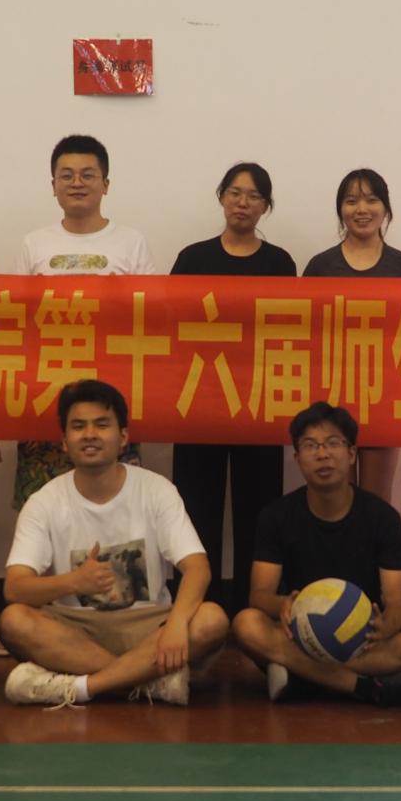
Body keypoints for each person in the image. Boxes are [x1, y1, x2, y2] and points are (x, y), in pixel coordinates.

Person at [0, 380, 229, 707]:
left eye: (102, 425)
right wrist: (74, 582)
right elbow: (15, 588)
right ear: (64, 441)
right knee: (13, 621)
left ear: (123, 438)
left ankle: (85, 686)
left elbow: (197, 568)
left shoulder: (156, 489)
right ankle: (148, 681)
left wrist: (177, 624)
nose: (90, 434)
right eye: (78, 426)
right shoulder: (44, 502)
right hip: (76, 630)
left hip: (148, 626)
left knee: (212, 619)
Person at [230, 402, 401, 707]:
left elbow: (397, 601)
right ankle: (365, 687)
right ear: (297, 458)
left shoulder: (382, 517)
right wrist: (283, 604)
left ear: (352, 453)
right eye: (310, 445)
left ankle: (305, 678)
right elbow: (259, 595)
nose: (323, 454)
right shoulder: (276, 516)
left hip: (363, 640)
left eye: (333, 443)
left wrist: (388, 625)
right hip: (301, 637)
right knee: (246, 624)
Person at [168, 161, 296, 611]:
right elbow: (169, 325)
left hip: (258, 403)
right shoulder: (192, 258)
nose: (243, 203)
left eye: (254, 195)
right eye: (235, 193)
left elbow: (290, 331)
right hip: (199, 402)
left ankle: (250, 609)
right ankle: (194, 608)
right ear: (222, 197)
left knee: (258, 511)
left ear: (266, 206)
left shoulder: (279, 263)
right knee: (195, 510)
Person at [11, 134, 152, 509]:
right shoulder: (34, 244)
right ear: (53, 185)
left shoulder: (131, 242)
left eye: (87, 175)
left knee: (116, 504)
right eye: (67, 175)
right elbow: (17, 320)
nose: (77, 183)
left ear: (106, 184)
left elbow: (151, 317)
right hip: (46, 391)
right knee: (44, 507)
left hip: (111, 392)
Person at [301, 168, 401, 506]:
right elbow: (303, 333)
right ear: (340, 210)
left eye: (371, 200)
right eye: (351, 201)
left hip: (386, 395)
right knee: (333, 497)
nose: (362, 209)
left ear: (386, 208)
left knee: (376, 501)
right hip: (331, 395)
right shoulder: (321, 267)